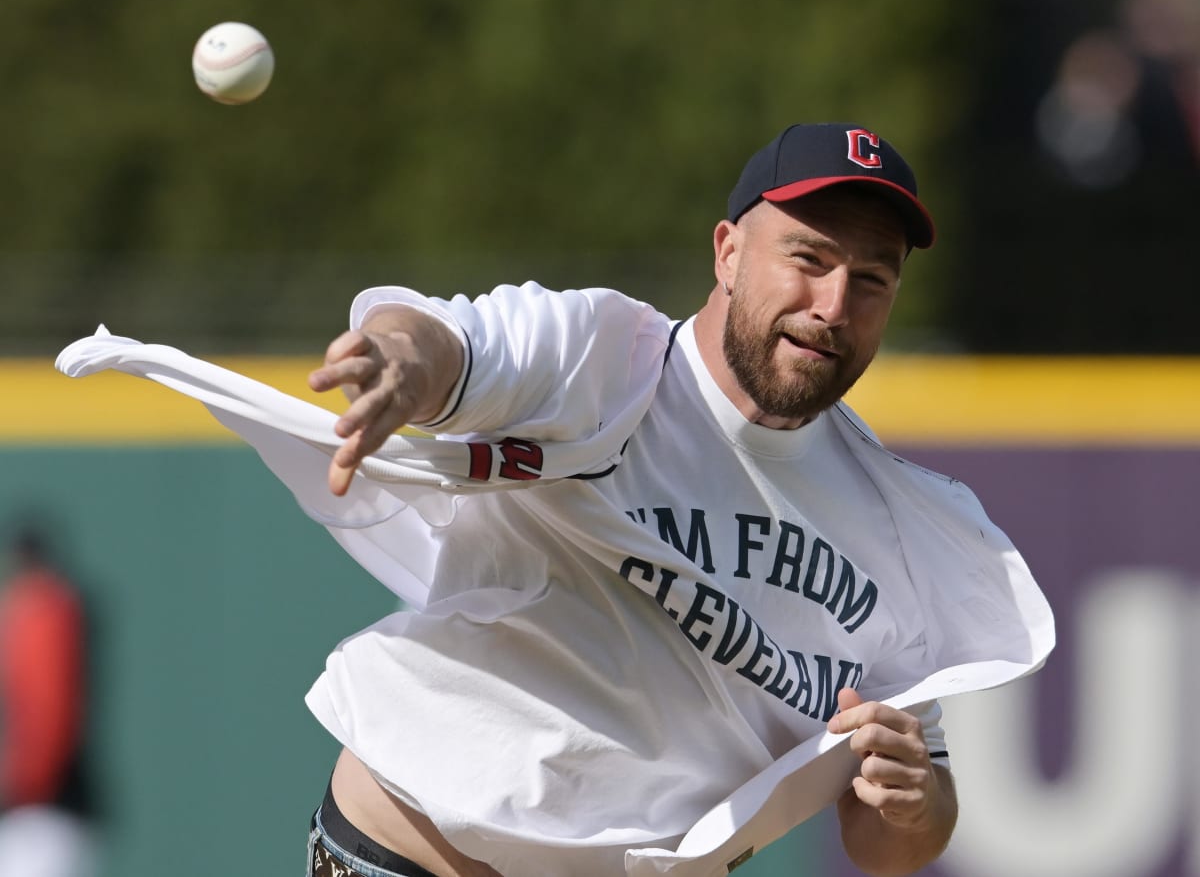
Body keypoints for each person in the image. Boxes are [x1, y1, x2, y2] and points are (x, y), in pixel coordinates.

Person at [53, 121, 1052, 877]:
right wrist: (406, 364)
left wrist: (917, 804)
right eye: (810, 258)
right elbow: (459, 343)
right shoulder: (608, 360)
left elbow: (891, 837)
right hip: (412, 853)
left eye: (871, 280)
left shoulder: (903, 526)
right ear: (727, 252)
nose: (834, 305)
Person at [0, 528, 100, 877]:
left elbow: (46, 722)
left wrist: (20, 780)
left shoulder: (44, 617)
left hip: (41, 818)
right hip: (37, 816)